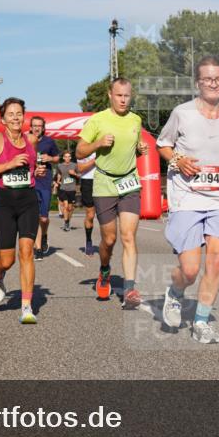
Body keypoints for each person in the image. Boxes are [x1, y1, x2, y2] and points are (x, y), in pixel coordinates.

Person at [157, 56, 219, 343]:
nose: (213, 84)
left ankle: (201, 321)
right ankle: (175, 292)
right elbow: (163, 145)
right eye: (208, 79)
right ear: (198, 83)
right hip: (187, 197)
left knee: (216, 262)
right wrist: (179, 160)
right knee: (190, 269)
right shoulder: (182, 113)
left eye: (218, 79)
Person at [77, 77, 148, 308]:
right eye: (119, 95)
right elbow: (79, 152)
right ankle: (105, 269)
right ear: (110, 95)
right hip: (105, 183)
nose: (123, 100)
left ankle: (129, 290)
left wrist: (140, 150)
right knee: (109, 239)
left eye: (127, 96)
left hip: (129, 182)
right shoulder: (97, 120)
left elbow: (132, 150)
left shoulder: (136, 120)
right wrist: (97, 144)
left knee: (128, 236)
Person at [0, 97, 44, 324]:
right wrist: (9, 164)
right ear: (3, 119)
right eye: (11, 114)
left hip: (28, 200)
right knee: (7, 261)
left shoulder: (31, 140)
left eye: (19, 113)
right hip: (5, 202)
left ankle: (26, 306)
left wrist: (37, 172)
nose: (16, 117)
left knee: (27, 251)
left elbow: (31, 167)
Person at [29, 116, 60, 259]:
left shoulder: (49, 142)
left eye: (39, 126)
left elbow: (57, 157)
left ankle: (45, 235)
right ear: (30, 127)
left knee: (43, 218)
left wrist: (50, 158)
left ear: (43, 127)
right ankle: (38, 248)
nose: (36, 128)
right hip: (30, 181)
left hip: (45, 182)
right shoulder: (26, 140)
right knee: (34, 216)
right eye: (34, 125)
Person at [76, 150, 97, 255]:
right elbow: (80, 168)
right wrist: (95, 161)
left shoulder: (107, 144)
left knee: (105, 215)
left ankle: (107, 241)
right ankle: (88, 240)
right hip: (88, 181)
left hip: (104, 180)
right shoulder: (83, 148)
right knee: (90, 214)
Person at [54, 150, 78, 232]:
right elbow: (59, 173)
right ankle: (65, 223)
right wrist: (58, 180)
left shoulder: (75, 165)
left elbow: (80, 175)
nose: (67, 158)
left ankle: (68, 221)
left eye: (69, 156)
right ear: (63, 158)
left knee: (71, 208)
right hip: (63, 188)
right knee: (65, 206)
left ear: (71, 157)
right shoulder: (60, 166)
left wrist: (74, 174)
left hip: (72, 189)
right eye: (66, 157)